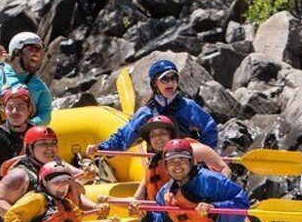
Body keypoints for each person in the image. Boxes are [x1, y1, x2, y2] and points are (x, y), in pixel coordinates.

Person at [125, 115, 231, 222]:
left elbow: (225, 169)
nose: (158, 138)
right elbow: (139, 196)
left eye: (162, 133)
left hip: (197, 211)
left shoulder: (195, 150)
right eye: (153, 135)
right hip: (170, 213)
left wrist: (216, 201)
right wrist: (134, 207)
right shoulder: (154, 163)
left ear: (171, 134)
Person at [86, 59, 218, 157]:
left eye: (174, 78)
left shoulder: (188, 106)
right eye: (164, 79)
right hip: (161, 162)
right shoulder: (146, 113)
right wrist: (100, 148)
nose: (170, 82)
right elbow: (123, 138)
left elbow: (210, 129)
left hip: (187, 162)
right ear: (154, 84)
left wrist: (204, 155)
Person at [0, 126, 98, 218]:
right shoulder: (19, 175)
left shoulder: (59, 166)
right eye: (43, 144)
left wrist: (96, 208)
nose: (50, 148)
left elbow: (77, 198)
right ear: (30, 148)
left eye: (53, 143)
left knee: (76, 185)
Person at [0, 31, 52, 143]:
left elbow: (45, 115)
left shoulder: (40, 87)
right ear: (17, 52)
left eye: (39, 50)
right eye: (32, 49)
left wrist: (24, 126)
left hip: (19, 145)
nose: (37, 53)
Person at [0, 86, 34, 190]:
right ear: (4, 110)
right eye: (10, 107)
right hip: (9, 188)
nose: (14, 111)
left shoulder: (37, 133)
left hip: (33, 186)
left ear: (29, 109)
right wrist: (5, 193)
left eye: (20, 107)